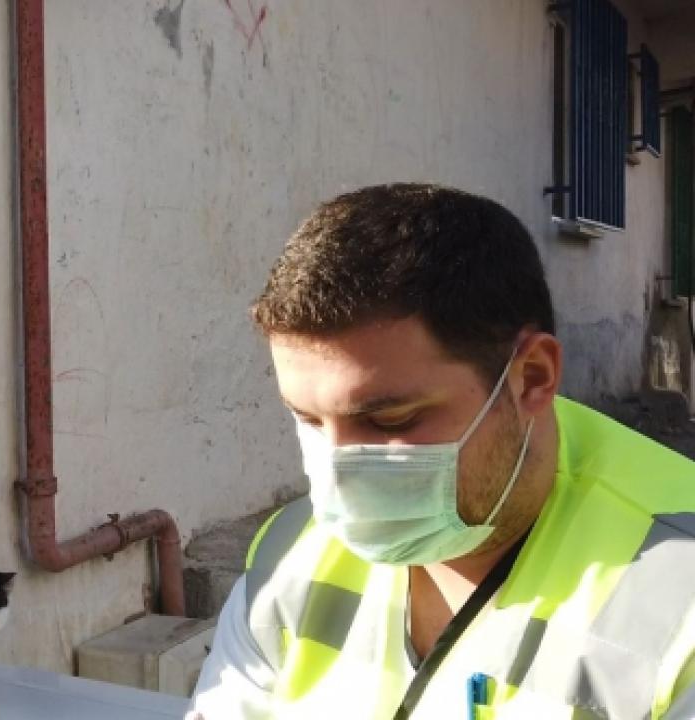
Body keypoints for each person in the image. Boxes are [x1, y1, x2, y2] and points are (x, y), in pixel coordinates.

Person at [189, 184, 695, 718]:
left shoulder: (678, 598)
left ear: (532, 378)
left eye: (391, 420)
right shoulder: (291, 555)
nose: (338, 473)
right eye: (308, 420)